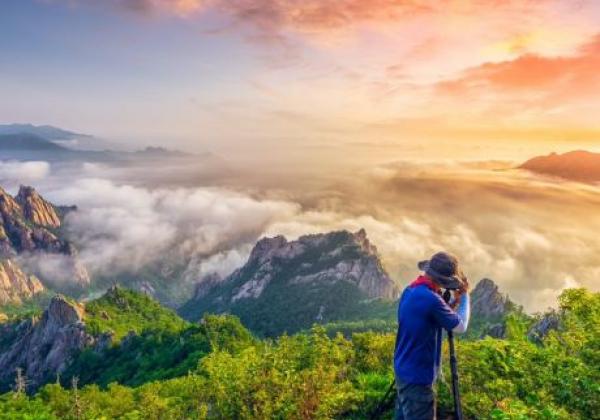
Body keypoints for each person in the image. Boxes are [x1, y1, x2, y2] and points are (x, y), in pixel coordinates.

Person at [393, 252, 470, 420]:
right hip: (418, 380)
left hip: (403, 371)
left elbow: (427, 315)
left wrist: (451, 304)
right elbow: (461, 326)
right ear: (443, 280)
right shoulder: (431, 299)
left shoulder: (410, 290)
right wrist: (464, 297)